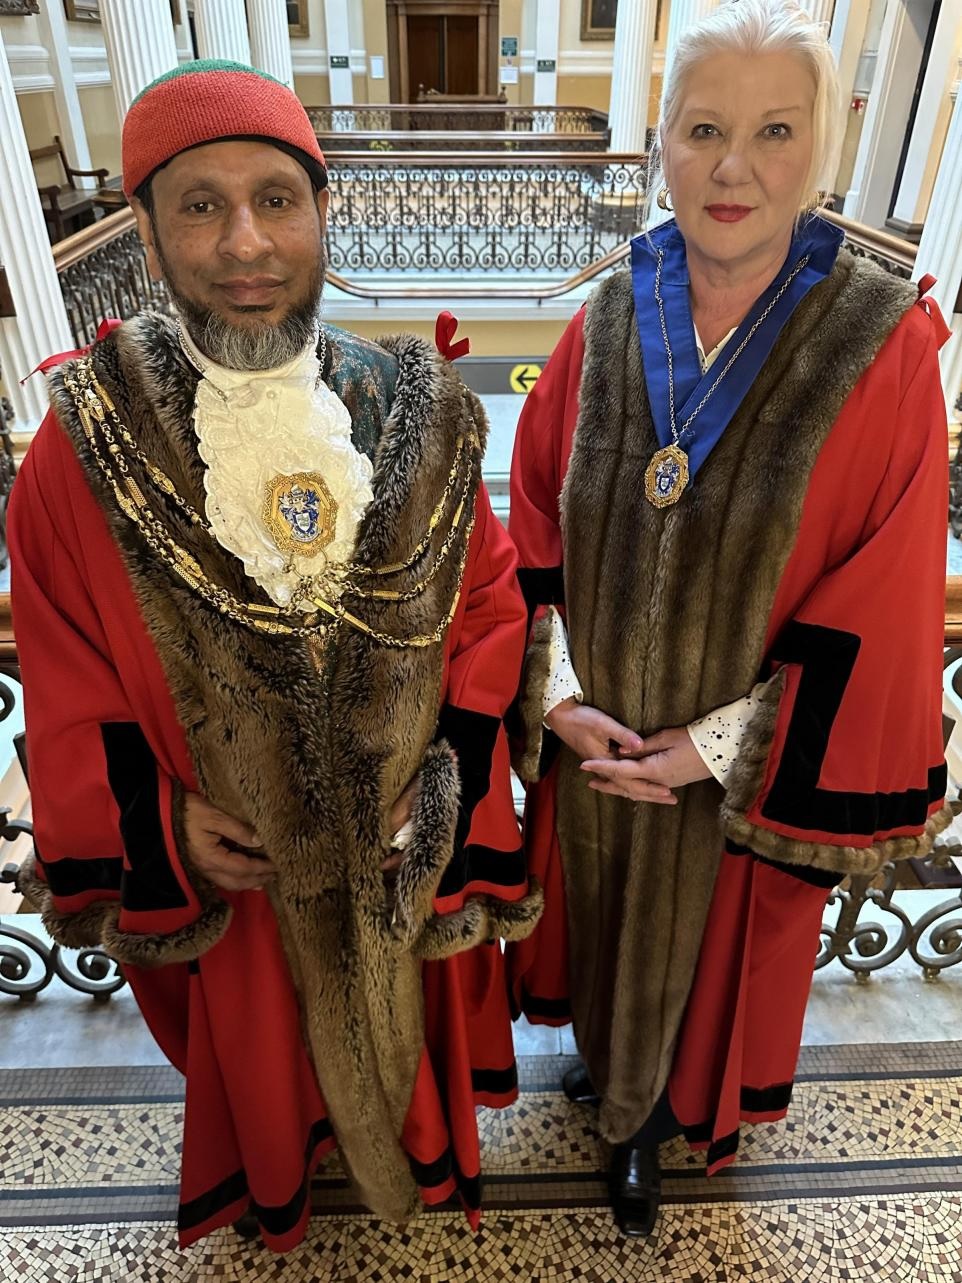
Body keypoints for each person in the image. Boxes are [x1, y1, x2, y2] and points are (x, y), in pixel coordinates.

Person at [9, 60, 543, 1252]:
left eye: (275, 200)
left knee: (406, 1049)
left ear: (320, 210)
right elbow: (63, 667)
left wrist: (445, 776)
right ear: (146, 229)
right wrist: (160, 820)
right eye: (200, 205)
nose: (245, 243)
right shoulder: (78, 448)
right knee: (262, 1056)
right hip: (235, 877)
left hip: (399, 848)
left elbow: (488, 603)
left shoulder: (417, 406)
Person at [507, 0, 951, 1239]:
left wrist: (712, 748)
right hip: (597, 745)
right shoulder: (606, 315)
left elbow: (881, 588)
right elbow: (526, 516)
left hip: (736, 769)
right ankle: (610, 1075)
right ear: (660, 141)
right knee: (602, 932)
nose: (732, 167)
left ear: (823, 145)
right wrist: (557, 698)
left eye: (772, 131)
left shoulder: (882, 346)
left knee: (710, 968)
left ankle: (657, 1122)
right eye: (702, 129)